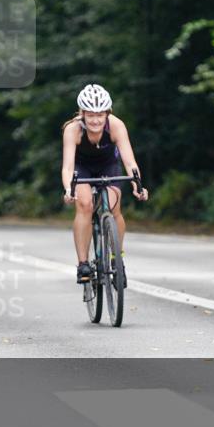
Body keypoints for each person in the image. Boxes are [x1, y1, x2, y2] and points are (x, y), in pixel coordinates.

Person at [61, 84, 149, 285]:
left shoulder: (116, 125)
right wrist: (68, 189)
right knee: (84, 205)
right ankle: (83, 263)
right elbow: (67, 167)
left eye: (100, 115)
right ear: (82, 113)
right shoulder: (72, 130)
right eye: (90, 115)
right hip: (81, 168)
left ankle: (116, 259)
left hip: (108, 166)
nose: (95, 120)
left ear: (107, 113)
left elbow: (129, 162)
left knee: (113, 207)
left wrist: (138, 184)